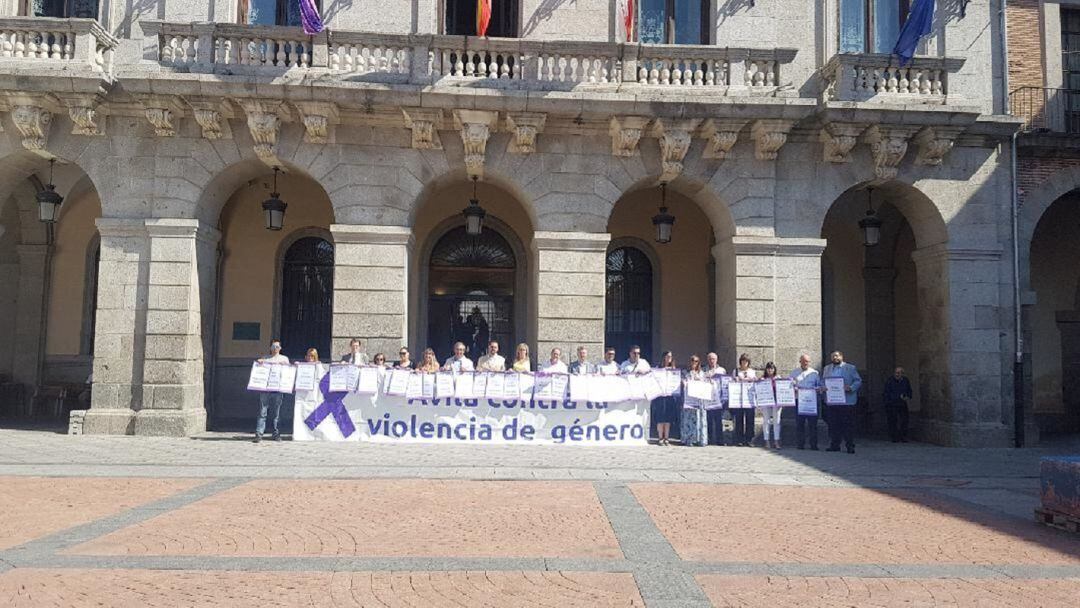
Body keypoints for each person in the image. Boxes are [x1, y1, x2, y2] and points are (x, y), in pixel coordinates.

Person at [823, 350, 862, 454]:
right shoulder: (827, 368)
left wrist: (851, 387)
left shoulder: (850, 368)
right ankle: (835, 445)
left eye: (837, 356)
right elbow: (824, 381)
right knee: (833, 425)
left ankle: (850, 446)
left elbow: (858, 381)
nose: (835, 358)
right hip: (832, 401)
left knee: (847, 425)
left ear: (841, 357)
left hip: (847, 402)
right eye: (833, 357)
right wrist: (823, 388)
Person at [254, 340, 289, 443]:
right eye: (273, 346)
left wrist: (287, 365)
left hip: (278, 388)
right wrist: (259, 363)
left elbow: (288, 372)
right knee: (262, 411)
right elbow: (259, 369)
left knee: (277, 412)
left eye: (277, 346)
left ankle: (276, 433)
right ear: (270, 348)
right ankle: (259, 433)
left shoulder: (284, 359)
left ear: (280, 348)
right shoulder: (265, 358)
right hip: (266, 388)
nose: (275, 348)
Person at [790, 354, 822, 450]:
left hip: (812, 403)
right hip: (799, 401)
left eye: (807, 361)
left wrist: (817, 389)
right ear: (800, 362)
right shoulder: (794, 373)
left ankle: (813, 445)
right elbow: (789, 385)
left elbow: (820, 386)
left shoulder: (815, 373)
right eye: (803, 361)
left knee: (813, 425)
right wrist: (794, 388)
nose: (805, 363)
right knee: (800, 424)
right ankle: (800, 445)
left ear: (809, 362)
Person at [680, 354, 711, 447]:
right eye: (693, 361)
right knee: (689, 419)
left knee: (699, 418)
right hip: (689, 400)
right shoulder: (685, 372)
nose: (694, 363)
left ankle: (700, 439)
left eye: (696, 361)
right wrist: (686, 383)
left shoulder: (702, 373)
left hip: (699, 400)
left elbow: (706, 384)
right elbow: (683, 382)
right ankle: (689, 439)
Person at [652, 351, 679, 445]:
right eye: (667, 356)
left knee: (668, 418)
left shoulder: (674, 370)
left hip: (669, 396)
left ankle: (666, 438)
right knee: (660, 418)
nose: (669, 358)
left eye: (671, 356)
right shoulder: (657, 369)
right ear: (663, 357)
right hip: (660, 395)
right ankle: (660, 437)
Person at [731, 354, 757, 447]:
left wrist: (752, 379)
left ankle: (749, 439)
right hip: (739, 399)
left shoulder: (752, 371)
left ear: (748, 362)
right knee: (739, 419)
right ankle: (739, 439)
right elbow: (732, 383)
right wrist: (735, 379)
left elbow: (755, 383)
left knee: (750, 419)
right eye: (743, 361)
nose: (744, 363)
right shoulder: (736, 371)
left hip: (749, 399)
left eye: (746, 361)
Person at [883, 366, 913, 443]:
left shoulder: (905, 380)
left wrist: (908, 397)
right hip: (892, 404)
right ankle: (894, 437)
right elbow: (887, 393)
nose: (897, 374)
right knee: (893, 420)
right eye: (896, 373)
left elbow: (909, 390)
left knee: (904, 420)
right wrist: (897, 397)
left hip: (902, 403)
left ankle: (903, 436)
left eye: (899, 373)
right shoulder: (890, 381)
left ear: (902, 374)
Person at [704, 352, 727, 446]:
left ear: (716, 360)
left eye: (713, 359)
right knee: (708, 420)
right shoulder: (704, 371)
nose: (711, 361)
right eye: (710, 359)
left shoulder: (722, 370)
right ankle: (709, 439)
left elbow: (725, 384)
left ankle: (720, 440)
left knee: (718, 420)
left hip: (718, 399)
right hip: (708, 399)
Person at [758, 362, 781, 449]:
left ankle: (776, 441)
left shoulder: (778, 378)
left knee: (776, 422)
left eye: (771, 368)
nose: (770, 370)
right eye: (768, 368)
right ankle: (766, 441)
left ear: (774, 369)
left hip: (776, 402)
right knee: (766, 421)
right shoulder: (763, 379)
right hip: (766, 402)